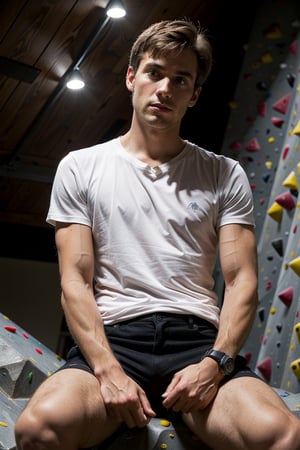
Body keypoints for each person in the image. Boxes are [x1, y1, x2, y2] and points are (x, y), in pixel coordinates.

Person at [15, 19, 300, 450]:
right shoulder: (80, 167)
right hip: (115, 340)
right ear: (132, 77)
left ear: (194, 94)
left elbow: (242, 281)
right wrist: (108, 372)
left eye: (180, 79)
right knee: (37, 430)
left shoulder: (224, 173)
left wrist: (215, 364)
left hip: (197, 342)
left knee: (282, 436)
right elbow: (75, 282)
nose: (165, 88)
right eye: (154, 72)